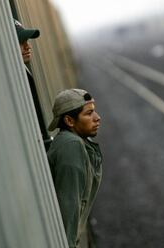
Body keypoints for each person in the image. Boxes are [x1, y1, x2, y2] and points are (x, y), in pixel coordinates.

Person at [47, 89, 103, 248]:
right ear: (69, 121)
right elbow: (69, 206)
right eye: (89, 113)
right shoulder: (71, 146)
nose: (97, 118)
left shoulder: (76, 143)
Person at [14, 19, 52, 150]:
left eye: (27, 41)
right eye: (21, 42)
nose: (28, 46)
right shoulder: (11, 79)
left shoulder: (23, 71)